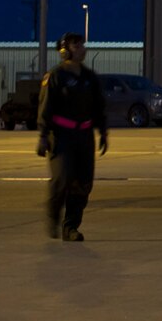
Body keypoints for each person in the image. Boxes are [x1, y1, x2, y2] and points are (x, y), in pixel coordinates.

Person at [36, 32, 108, 240]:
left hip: (84, 136)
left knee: (83, 183)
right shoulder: (56, 76)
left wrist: (103, 132)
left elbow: (98, 107)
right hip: (61, 135)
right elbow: (45, 106)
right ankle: (53, 215)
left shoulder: (89, 77)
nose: (82, 49)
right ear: (65, 51)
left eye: (82, 45)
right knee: (62, 179)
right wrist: (43, 135)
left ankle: (71, 227)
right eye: (77, 46)